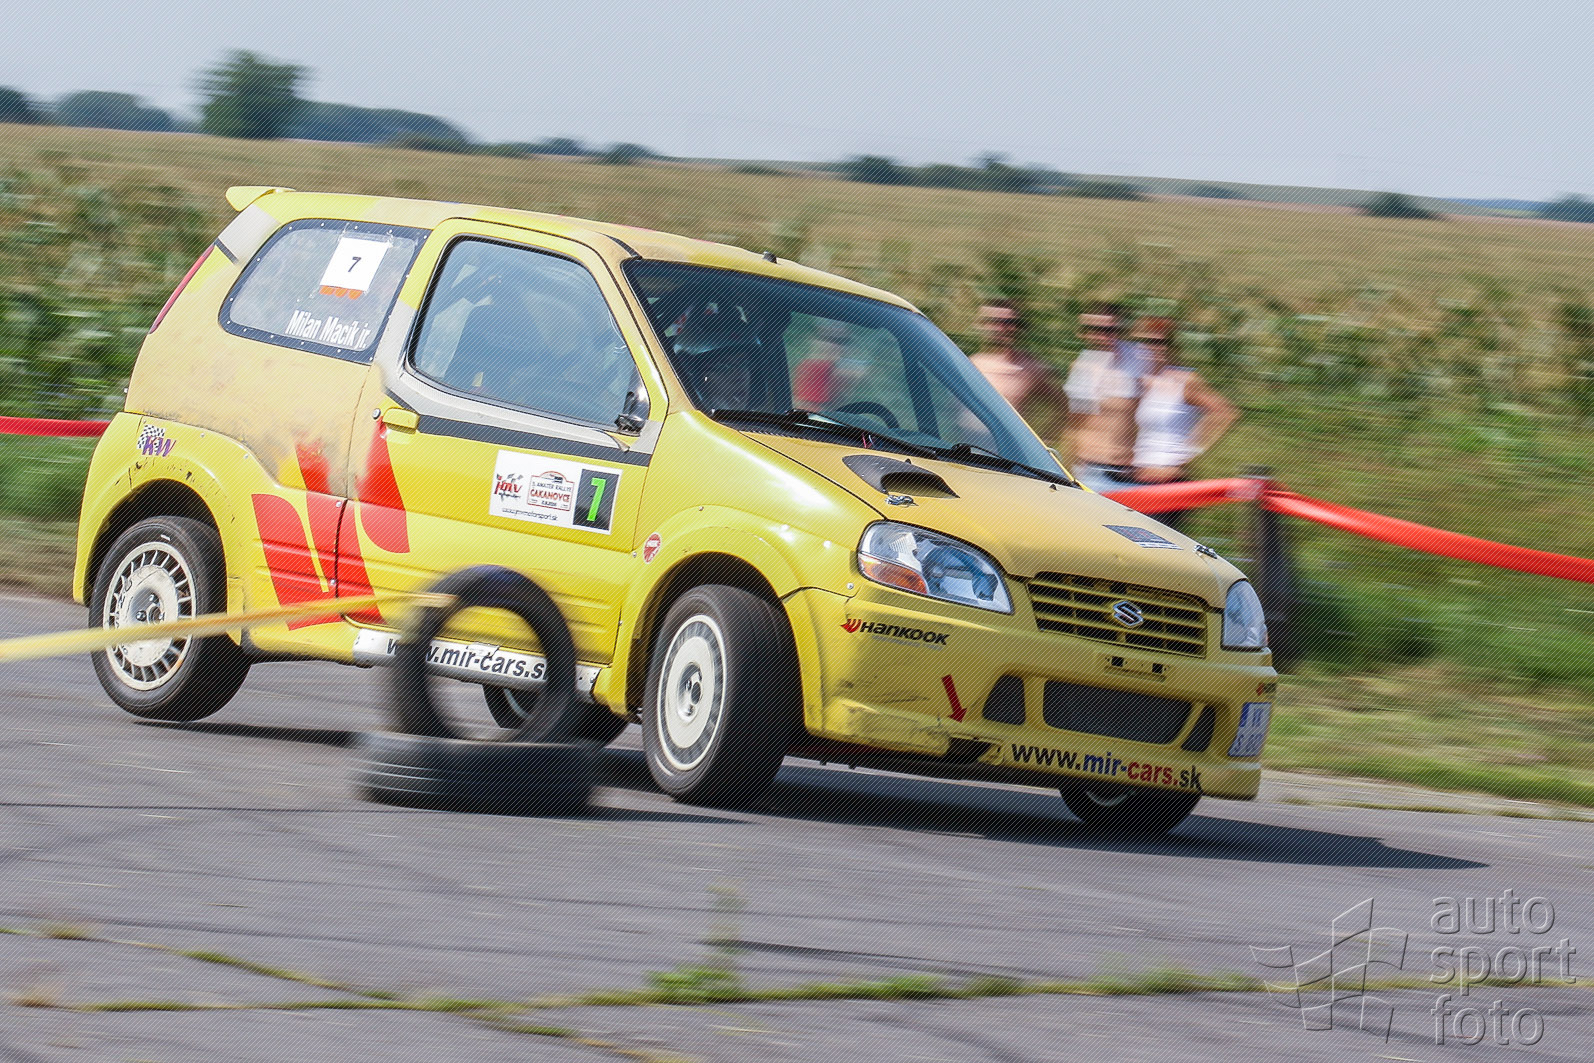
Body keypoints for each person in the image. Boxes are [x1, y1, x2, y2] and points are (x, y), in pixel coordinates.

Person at [1126, 317, 1239, 527]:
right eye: (1147, 341)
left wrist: (1187, 453)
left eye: (1161, 342)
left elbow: (1225, 413)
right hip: (1137, 479)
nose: (1153, 347)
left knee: (1154, 543)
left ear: (1172, 346)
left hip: (1168, 481)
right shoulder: (1141, 380)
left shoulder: (1185, 380)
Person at [1063, 304, 1146, 494]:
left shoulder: (1139, 360)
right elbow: (1075, 424)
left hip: (1129, 474)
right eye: (1095, 329)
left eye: (1110, 330)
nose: (1104, 336)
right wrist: (1065, 473)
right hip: (1090, 472)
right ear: (1083, 333)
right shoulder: (1081, 367)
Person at [968, 299, 1068, 443]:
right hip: (965, 445)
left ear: (1018, 327)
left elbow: (1063, 406)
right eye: (994, 321)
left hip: (1008, 448)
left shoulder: (1030, 368)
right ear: (981, 324)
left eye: (1009, 322)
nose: (1001, 327)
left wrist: (1044, 441)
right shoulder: (969, 365)